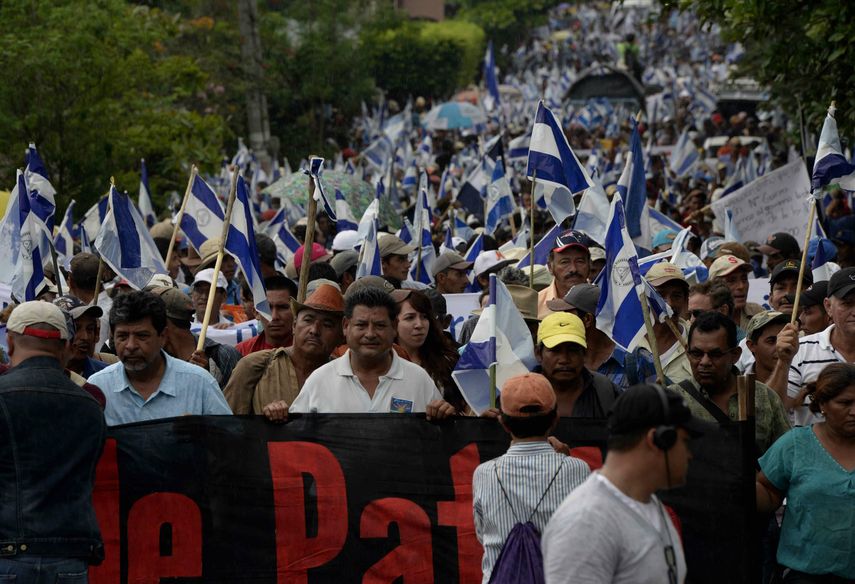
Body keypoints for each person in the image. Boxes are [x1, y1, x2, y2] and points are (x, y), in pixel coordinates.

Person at [543, 384, 710, 584]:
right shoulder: (585, 522)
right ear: (658, 440)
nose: (690, 454)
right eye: (685, 442)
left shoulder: (650, 505)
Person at [0, 301, 106, 579]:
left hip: (8, 554)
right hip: (69, 557)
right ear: (65, 348)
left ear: (10, 343)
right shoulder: (90, 405)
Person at [472, 373, 590, 583]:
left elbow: (482, 534)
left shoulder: (484, 473)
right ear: (555, 420)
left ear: (503, 423)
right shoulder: (577, 469)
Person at [289, 287, 455, 416]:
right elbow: (295, 440)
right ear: (346, 326)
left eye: (380, 325)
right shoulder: (319, 380)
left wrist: (442, 414)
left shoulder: (419, 380)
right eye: (361, 325)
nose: (370, 334)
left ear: (394, 327)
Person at [757, 363, 855, 582]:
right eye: (845, 403)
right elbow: (767, 492)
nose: (854, 411)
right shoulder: (795, 445)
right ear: (822, 404)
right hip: (805, 574)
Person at [88, 291, 232, 425]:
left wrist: (202, 433)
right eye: (122, 336)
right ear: (112, 336)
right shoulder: (97, 387)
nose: (131, 346)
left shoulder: (200, 383)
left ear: (162, 336)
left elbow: (227, 441)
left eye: (142, 336)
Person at [669, 311, 790, 456]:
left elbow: (786, 458)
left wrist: (762, 478)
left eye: (715, 354)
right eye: (697, 354)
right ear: (687, 353)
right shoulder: (671, 402)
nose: (705, 362)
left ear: (735, 355)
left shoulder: (766, 398)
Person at [224, 283, 345, 420]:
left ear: (341, 336)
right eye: (308, 320)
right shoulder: (253, 366)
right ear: (294, 326)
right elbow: (227, 428)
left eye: (327, 324)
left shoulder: (346, 377)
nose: (314, 330)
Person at [777, 267, 855, 426]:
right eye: (847, 303)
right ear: (828, 307)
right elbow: (777, 409)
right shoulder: (800, 351)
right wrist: (783, 362)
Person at [152, 286, 241, 388]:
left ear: (164, 324)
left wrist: (208, 375)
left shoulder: (224, 356)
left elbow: (236, 400)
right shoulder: (152, 361)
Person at [535, 312, 620, 418]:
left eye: (572, 350)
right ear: (538, 353)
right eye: (555, 350)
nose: (564, 359)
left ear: (584, 353)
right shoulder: (522, 393)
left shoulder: (605, 392)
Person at [547, 283, 628, 389]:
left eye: (568, 314)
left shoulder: (634, 360)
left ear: (587, 320)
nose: (563, 320)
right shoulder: (563, 360)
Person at [393, 289, 459, 395]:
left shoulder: (448, 361)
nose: (419, 324)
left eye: (424, 317)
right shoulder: (383, 363)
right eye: (410, 318)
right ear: (393, 323)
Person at [636, 262, 693, 385]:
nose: (669, 304)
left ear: (686, 301)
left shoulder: (696, 344)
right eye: (660, 295)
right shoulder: (630, 342)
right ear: (644, 298)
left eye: (676, 296)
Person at [235, 275, 297, 356]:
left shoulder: (309, 352)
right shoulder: (242, 352)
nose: (274, 317)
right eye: (267, 308)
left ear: (296, 311)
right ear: (256, 313)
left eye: (282, 307)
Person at [538, 229, 592, 319]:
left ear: (589, 264)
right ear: (550, 267)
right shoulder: (536, 305)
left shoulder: (604, 303)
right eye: (565, 262)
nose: (573, 269)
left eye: (580, 261)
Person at [52, 294, 109, 378]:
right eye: (76, 328)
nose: (85, 337)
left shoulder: (106, 375)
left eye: (90, 329)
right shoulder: (40, 376)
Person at [708, 254, 762, 329]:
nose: (741, 286)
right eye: (731, 280)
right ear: (714, 286)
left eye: (744, 279)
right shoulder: (705, 318)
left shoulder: (758, 313)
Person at [745, 311, 791, 385]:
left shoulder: (799, 382)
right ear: (752, 345)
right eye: (771, 341)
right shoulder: (737, 386)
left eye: (785, 339)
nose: (781, 347)